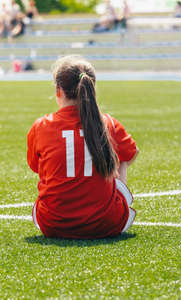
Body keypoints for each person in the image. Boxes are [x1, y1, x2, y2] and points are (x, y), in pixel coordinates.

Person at [27, 56, 139, 239]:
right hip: (108, 223)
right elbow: (131, 154)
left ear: (58, 91)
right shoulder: (108, 123)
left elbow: (35, 167)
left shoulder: (41, 126)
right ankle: (114, 202)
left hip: (53, 224)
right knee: (121, 156)